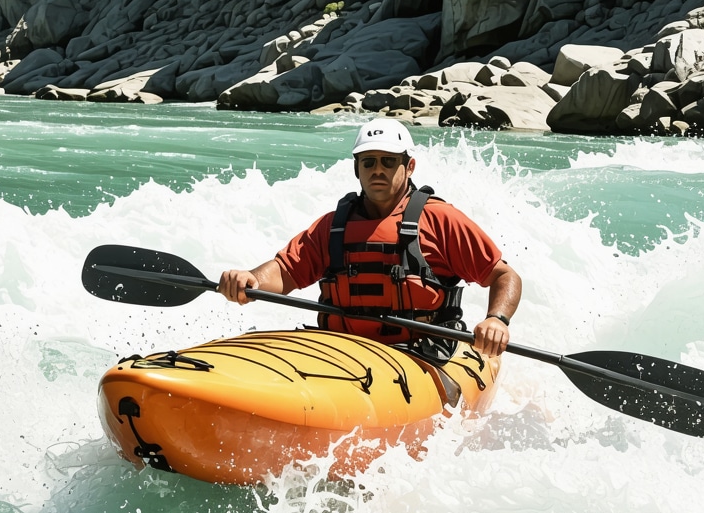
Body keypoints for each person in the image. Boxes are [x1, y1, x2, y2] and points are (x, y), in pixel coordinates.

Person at [218, 118, 521, 357]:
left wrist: (497, 320)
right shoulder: (333, 226)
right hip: (344, 349)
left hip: (420, 354)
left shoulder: (440, 219)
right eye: (369, 162)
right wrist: (251, 281)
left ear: (409, 166)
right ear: (356, 168)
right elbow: (285, 271)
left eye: (388, 161)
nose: (378, 170)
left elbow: (504, 275)